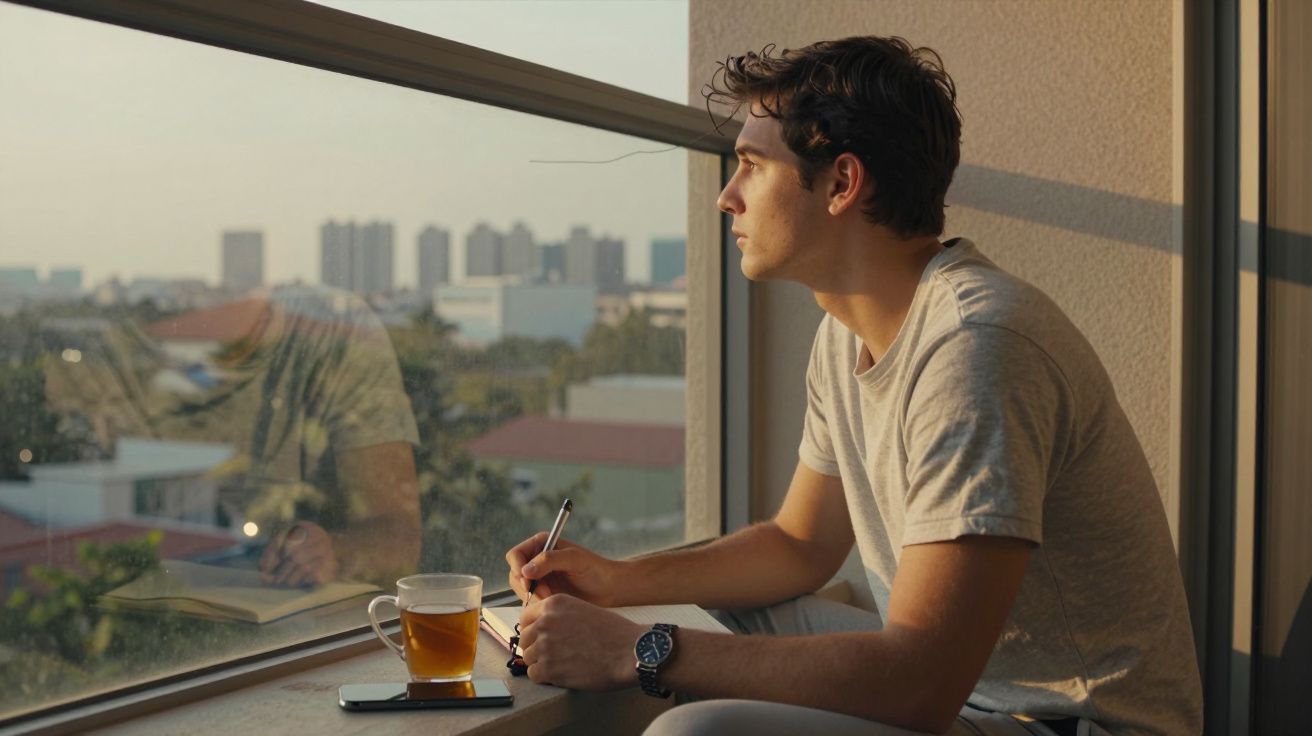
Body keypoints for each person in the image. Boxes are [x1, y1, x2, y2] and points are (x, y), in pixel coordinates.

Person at [504, 36, 1202, 735]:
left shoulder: (976, 345)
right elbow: (799, 546)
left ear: (842, 183)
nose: (726, 197)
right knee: (730, 617)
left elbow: (920, 680)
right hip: (968, 695)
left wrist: (638, 649)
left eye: (751, 166)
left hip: (1061, 721)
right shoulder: (846, 334)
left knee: (695, 733)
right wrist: (616, 581)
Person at [42, 284, 422, 587]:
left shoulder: (334, 340)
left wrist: (334, 552)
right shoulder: (108, 356)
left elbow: (399, 537)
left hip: (307, 645)